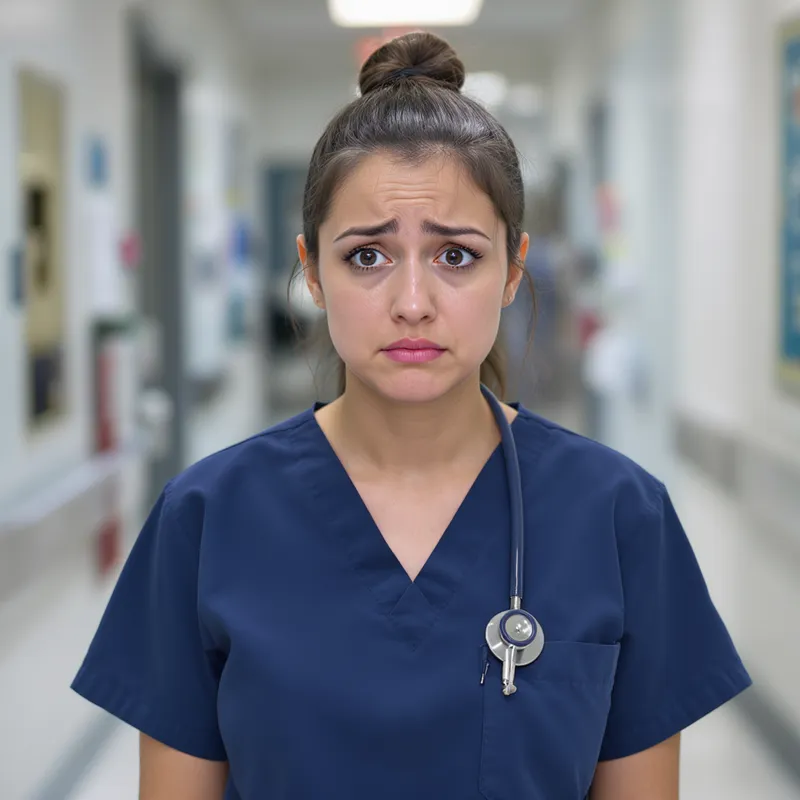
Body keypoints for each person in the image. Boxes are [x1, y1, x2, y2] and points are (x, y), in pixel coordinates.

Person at [71, 32, 751, 800]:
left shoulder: (620, 515)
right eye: (367, 255)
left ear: (512, 268)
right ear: (313, 274)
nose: (413, 302)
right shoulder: (206, 518)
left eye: (456, 254)